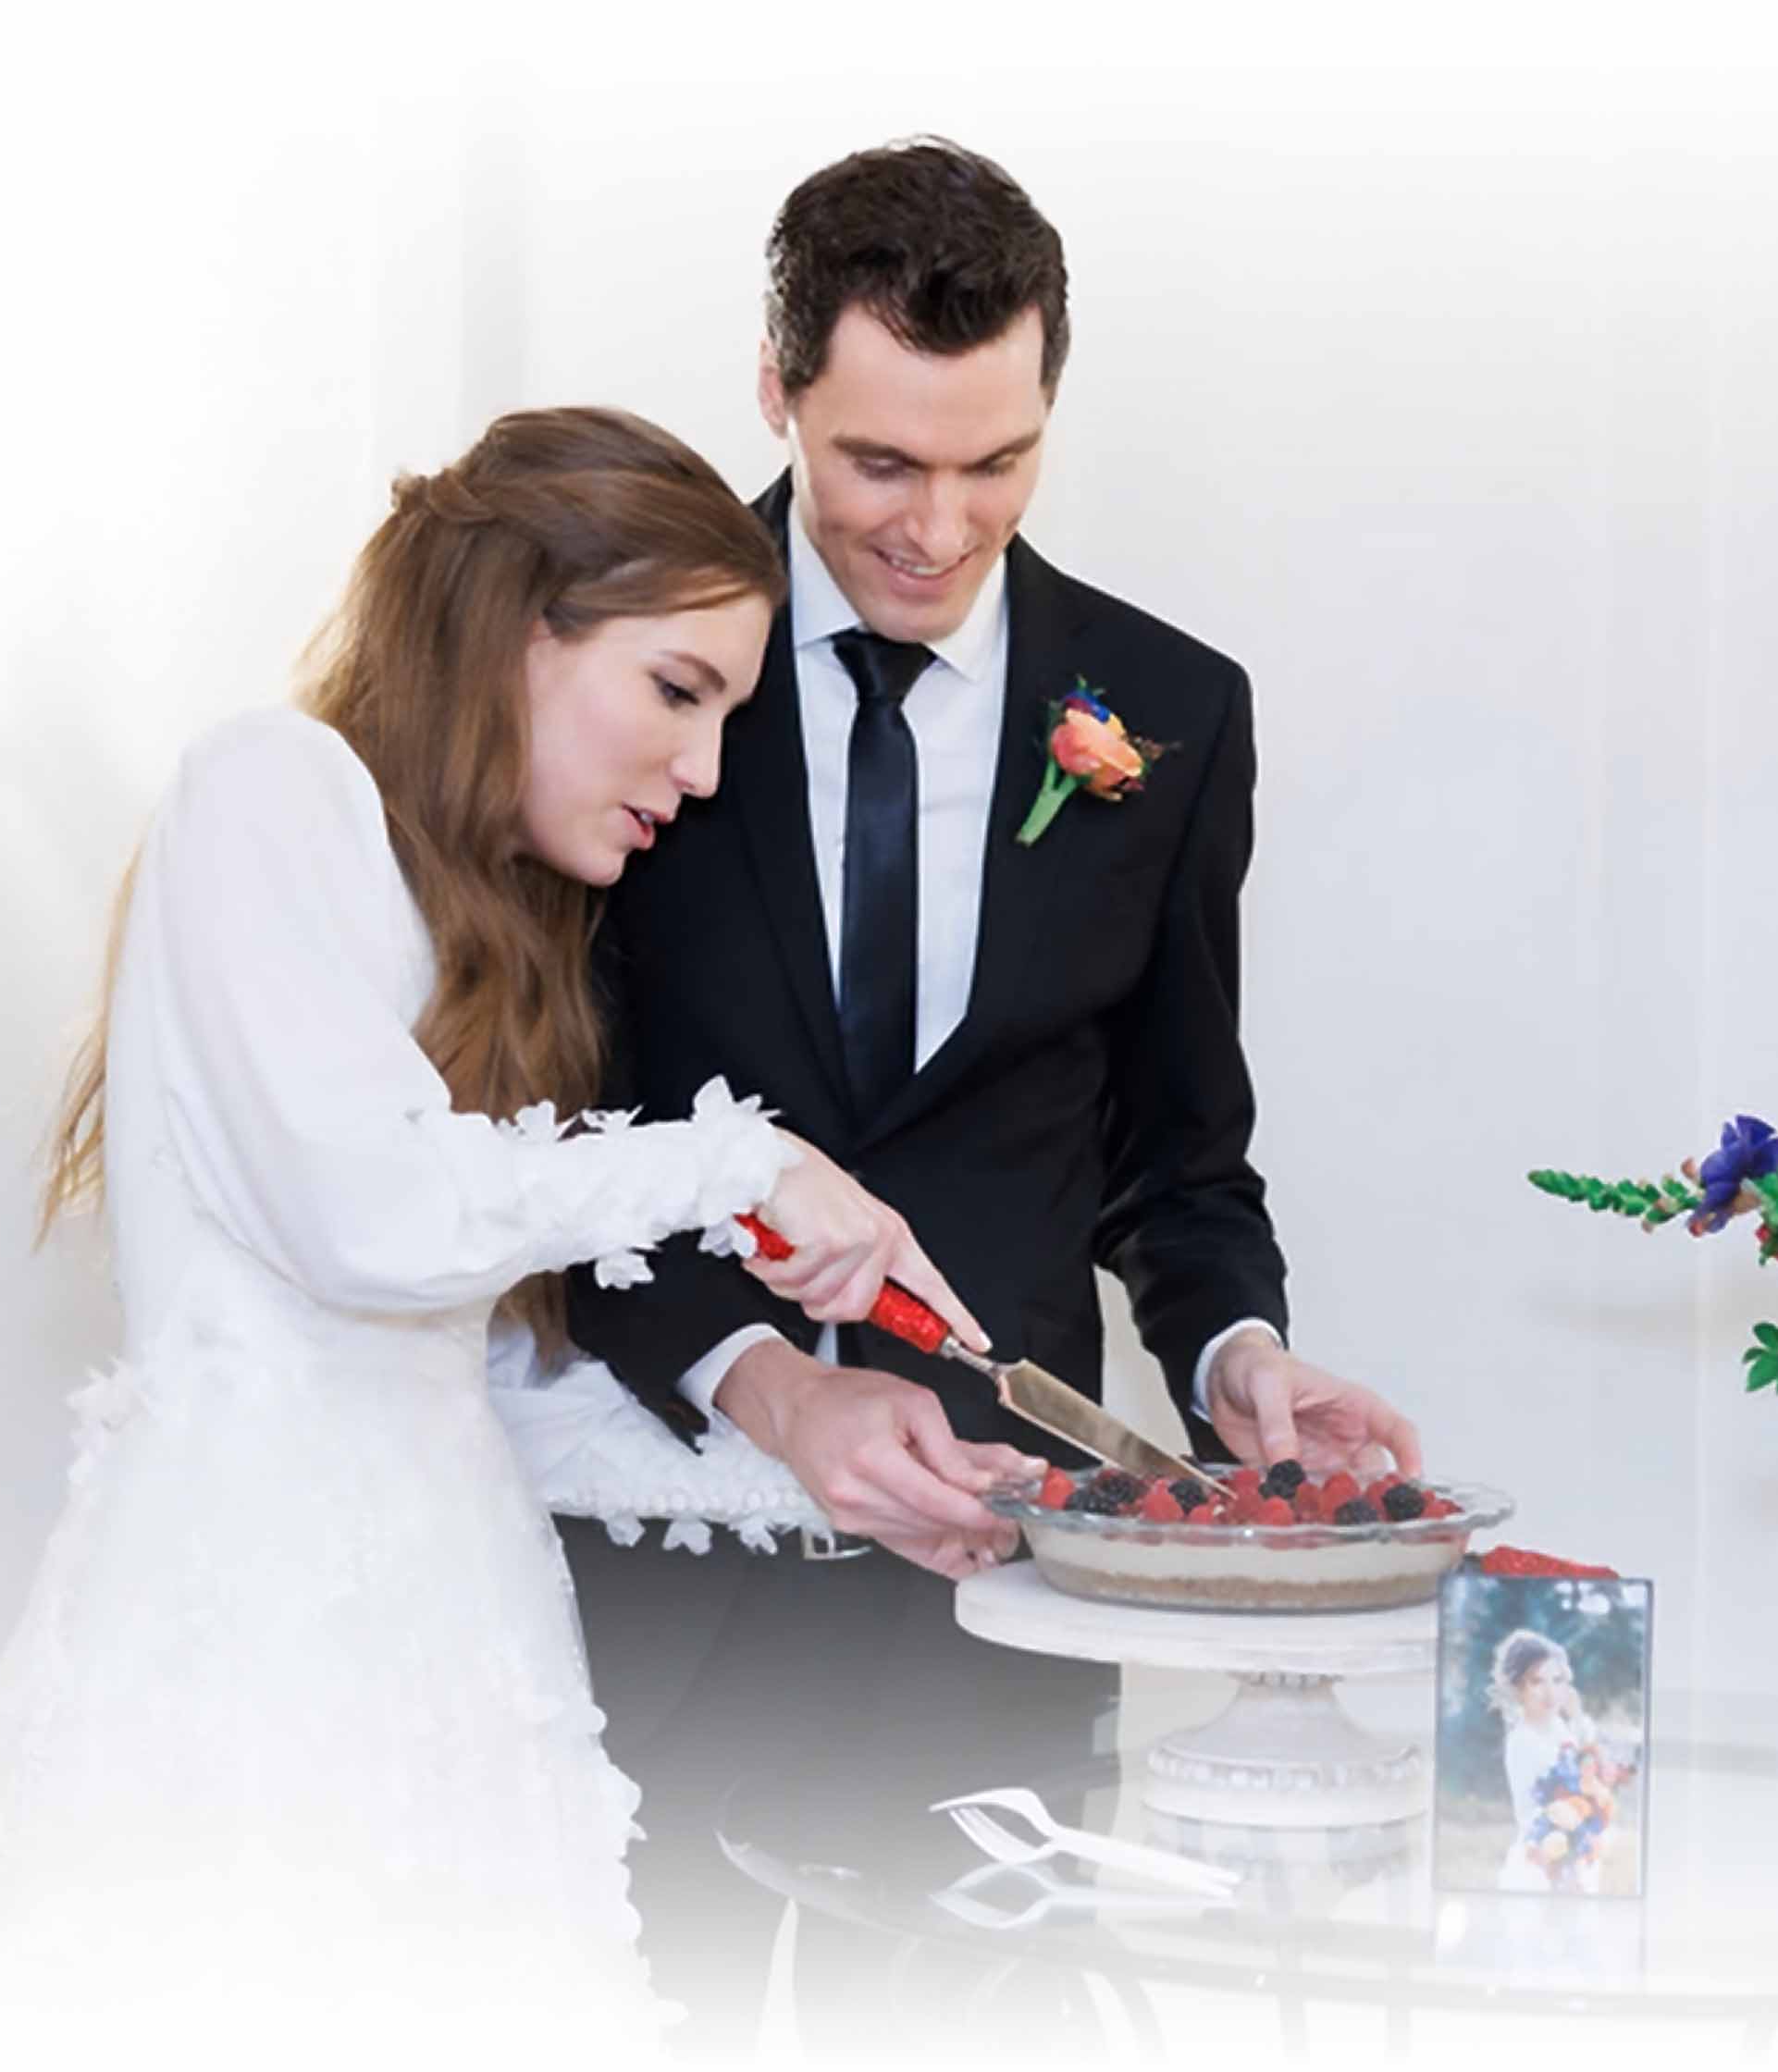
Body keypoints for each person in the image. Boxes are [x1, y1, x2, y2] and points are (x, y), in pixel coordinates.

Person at [501, 137, 1428, 2054]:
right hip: (646, 1555)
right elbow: (536, 1142)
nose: (935, 525)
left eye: (994, 462)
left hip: (992, 1588)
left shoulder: (1169, 712)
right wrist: (759, 1376)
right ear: (777, 391)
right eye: (878, 464)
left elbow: (1177, 1154)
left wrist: (1241, 1354)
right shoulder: (631, 673)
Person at [0, 406, 987, 2042]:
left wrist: (835, 1473)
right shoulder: (267, 789)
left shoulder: (492, 934)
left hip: (465, 1685)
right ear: (517, 628)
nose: (703, 775)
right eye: (676, 692)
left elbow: (469, 1389)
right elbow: (377, 1227)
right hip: (253, 1691)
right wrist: (738, 1163)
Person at [1489, 1630, 1609, 1894]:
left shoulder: (1561, 1728)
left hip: (1575, 1851)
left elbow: (1592, 1770)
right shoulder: (1521, 1740)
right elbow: (1529, 1813)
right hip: (1542, 1856)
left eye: (1557, 1680)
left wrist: (1577, 1716)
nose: (1550, 1692)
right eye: (1537, 1682)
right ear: (1519, 1688)